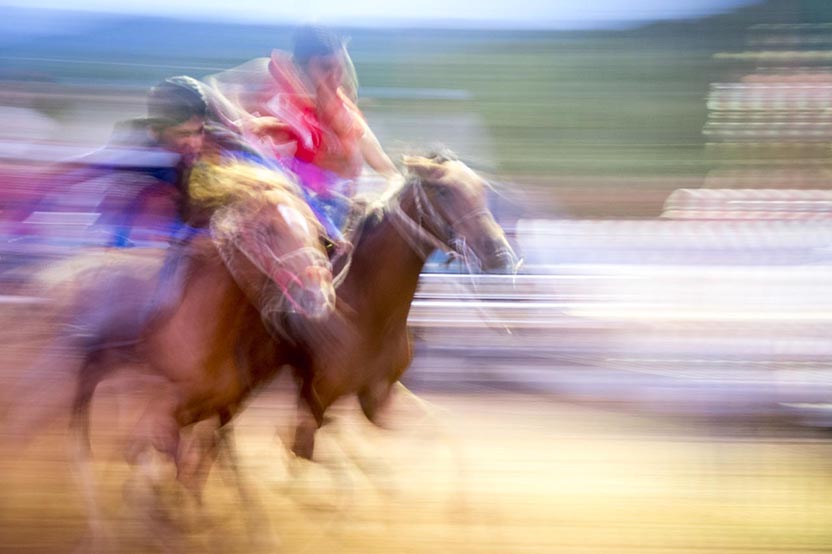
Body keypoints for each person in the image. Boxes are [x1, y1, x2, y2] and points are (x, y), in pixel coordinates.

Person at [205, 25, 403, 246]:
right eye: (326, 68)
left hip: (332, 215)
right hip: (280, 210)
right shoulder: (267, 77)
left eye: (340, 67)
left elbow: (390, 172)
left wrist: (384, 196)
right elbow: (211, 90)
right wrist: (243, 121)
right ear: (300, 67)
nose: (336, 77)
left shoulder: (344, 115)